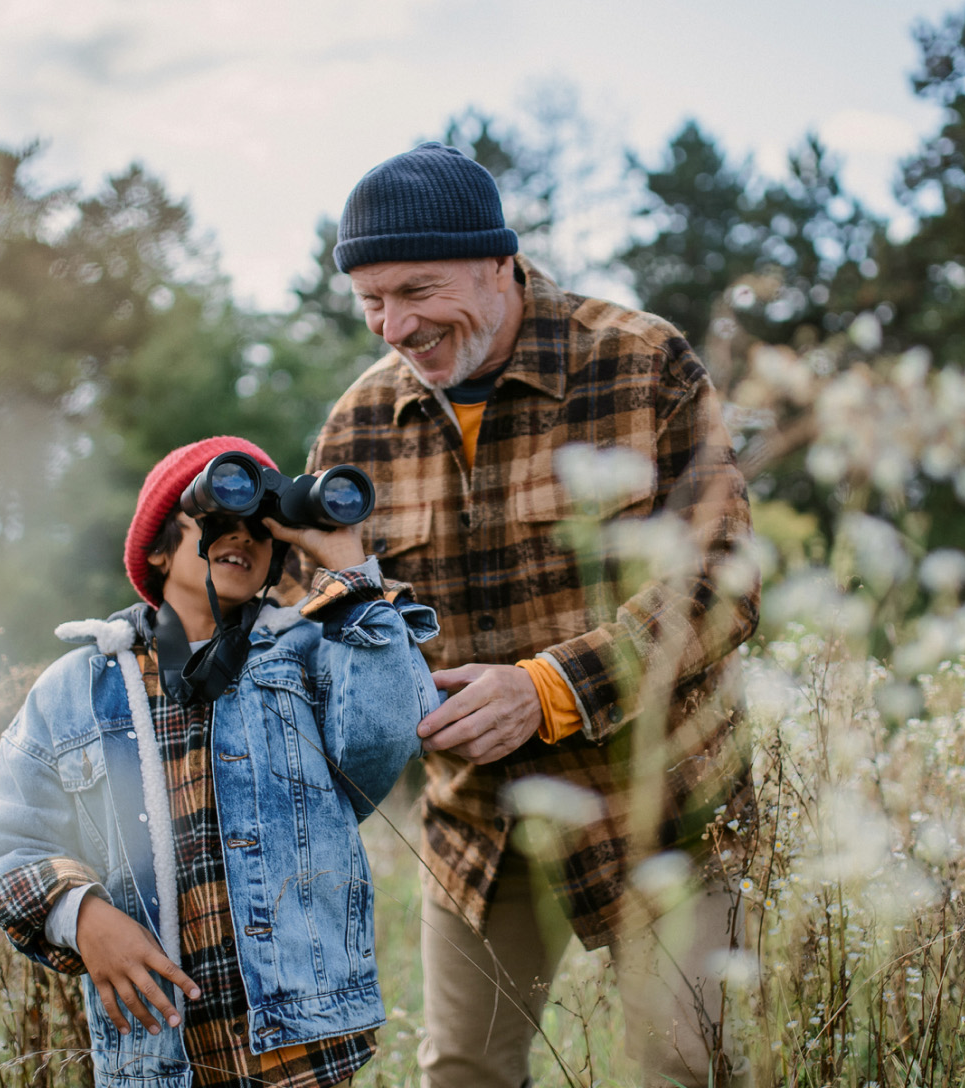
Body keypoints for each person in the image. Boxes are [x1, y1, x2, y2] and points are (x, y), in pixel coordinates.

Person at [309, 143, 761, 1088]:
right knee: (463, 1073)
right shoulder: (356, 427)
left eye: (415, 290)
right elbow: (329, 621)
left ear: (498, 260)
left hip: (658, 812)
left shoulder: (642, 364)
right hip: (475, 827)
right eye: (370, 303)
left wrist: (551, 689)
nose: (395, 325)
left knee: (685, 1068)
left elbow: (722, 581)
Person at [0, 436, 438, 1088]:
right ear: (158, 549)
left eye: (262, 527)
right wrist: (82, 916)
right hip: (158, 1056)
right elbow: (6, 845)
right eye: (217, 518)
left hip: (299, 1042)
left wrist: (348, 570)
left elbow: (390, 732)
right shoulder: (75, 688)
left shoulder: (309, 653)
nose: (242, 536)